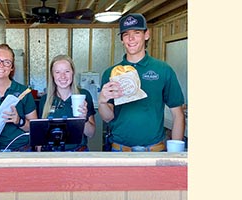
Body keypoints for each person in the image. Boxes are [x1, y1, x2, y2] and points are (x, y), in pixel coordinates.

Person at [98, 13, 185, 152]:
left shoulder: (163, 70)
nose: (131, 38)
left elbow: (177, 113)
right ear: (121, 40)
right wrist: (102, 101)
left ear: (146, 35)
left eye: (136, 32)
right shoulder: (111, 73)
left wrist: (176, 153)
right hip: (119, 150)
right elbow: (108, 117)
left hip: (154, 150)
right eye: (126, 34)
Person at [39, 54, 96, 151]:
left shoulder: (83, 95)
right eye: (57, 72)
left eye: (67, 71)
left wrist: (84, 118)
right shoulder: (45, 99)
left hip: (78, 154)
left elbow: (91, 133)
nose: (63, 76)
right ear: (52, 75)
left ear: (73, 73)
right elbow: (40, 135)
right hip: (51, 154)